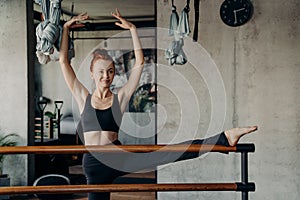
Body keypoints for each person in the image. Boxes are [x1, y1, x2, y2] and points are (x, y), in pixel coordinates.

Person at [59, 8, 258, 200]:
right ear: (92, 74)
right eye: (101, 71)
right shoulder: (82, 96)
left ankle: (224, 138)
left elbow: (139, 64)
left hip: (118, 156)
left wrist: (133, 30)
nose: (106, 76)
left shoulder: (120, 98)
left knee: (168, 153)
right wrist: (66, 29)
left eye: (110, 71)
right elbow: (63, 62)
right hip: (94, 164)